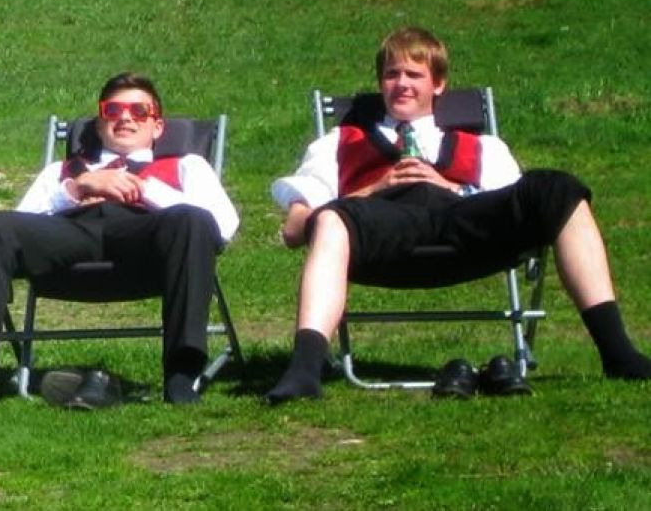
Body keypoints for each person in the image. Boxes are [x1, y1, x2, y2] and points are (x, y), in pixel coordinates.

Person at [265, 27, 651, 404]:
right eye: (392, 74)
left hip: (462, 225)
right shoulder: (338, 144)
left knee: (559, 188)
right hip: (380, 230)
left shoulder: (482, 147)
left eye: (414, 74)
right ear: (380, 83)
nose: (402, 84)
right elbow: (295, 230)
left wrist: (452, 187)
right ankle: (303, 372)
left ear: (438, 84)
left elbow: (506, 201)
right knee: (330, 220)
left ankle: (617, 353)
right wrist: (373, 189)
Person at [0, 72, 239, 408]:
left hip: (146, 240)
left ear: (157, 126)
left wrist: (144, 189)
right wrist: (76, 189)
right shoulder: (61, 172)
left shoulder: (186, 166)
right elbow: (20, 224)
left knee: (193, 219)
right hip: (71, 237)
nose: (125, 118)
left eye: (139, 111)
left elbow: (221, 226)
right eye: (113, 110)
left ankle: (180, 377)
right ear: (100, 123)